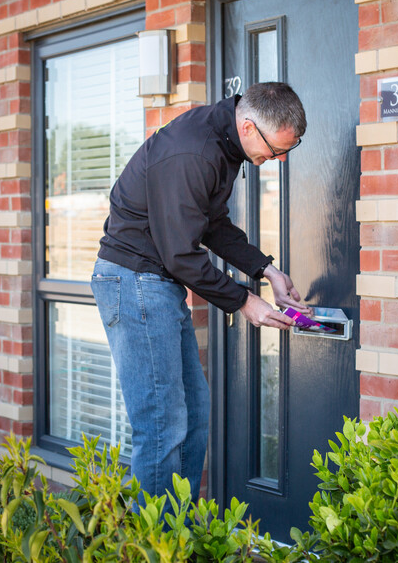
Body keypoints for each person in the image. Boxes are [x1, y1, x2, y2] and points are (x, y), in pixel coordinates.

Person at [90, 82, 310, 502]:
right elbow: (180, 255)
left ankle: (179, 533)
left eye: (287, 152)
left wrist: (267, 270)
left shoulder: (223, 145)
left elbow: (212, 225)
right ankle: (153, 545)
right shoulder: (193, 152)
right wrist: (246, 300)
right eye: (276, 150)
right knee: (161, 426)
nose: (278, 161)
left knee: (191, 416)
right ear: (248, 127)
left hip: (155, 284)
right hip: (134, 281)